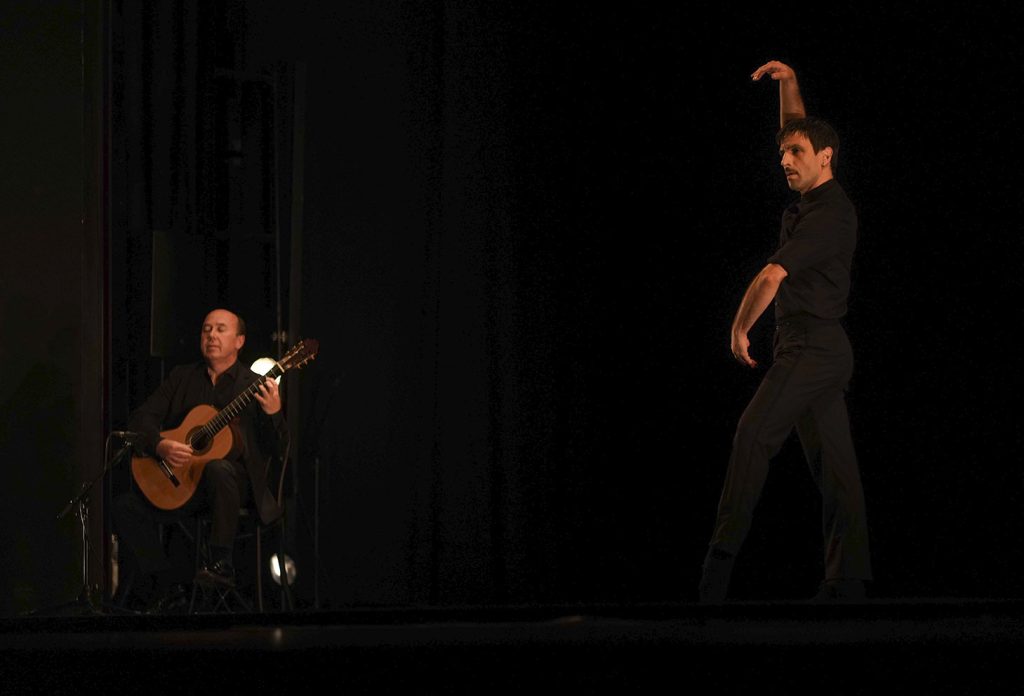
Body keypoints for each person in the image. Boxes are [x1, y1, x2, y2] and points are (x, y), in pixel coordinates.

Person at [697, 61, 872, 603]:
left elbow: (772, 274)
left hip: (811, 345)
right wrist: (790, 82)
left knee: (753, 436)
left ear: (827, 159)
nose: (784, 161)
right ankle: (848, 583)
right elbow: (800, 132)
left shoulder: (830, 217)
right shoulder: (814, 193)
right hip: (823, 347)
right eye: (781, 154)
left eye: (795, 154)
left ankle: (714, 578)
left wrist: (739, 329)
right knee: (836, 469)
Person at [112, 308, 286, 612]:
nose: (212, 336)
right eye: (206, 329)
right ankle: (166, 585)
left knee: (219, 468)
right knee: (123, 506)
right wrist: (161, 445)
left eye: (221, 329)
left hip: (235, 490)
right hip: (186, 486)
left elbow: (280, 448)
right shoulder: (182, 377)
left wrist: (273, 414)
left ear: (240, 341)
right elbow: (141, 418)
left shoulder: (253, 384)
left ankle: (221, 564)